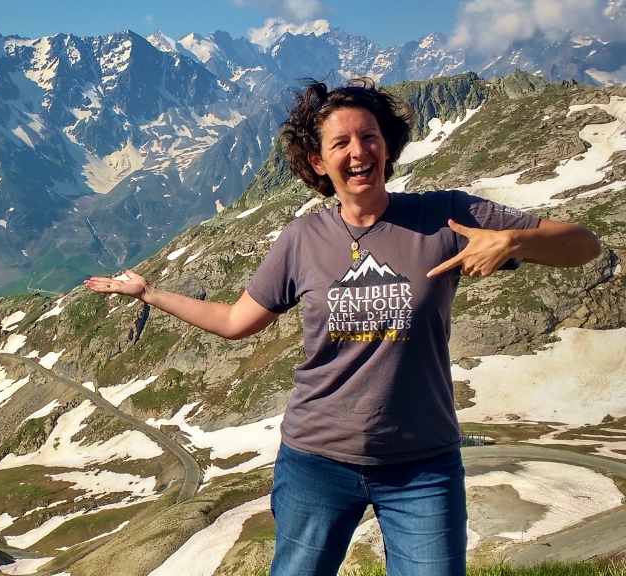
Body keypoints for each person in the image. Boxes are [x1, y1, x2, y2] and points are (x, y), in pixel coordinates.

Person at [84, 77, 602, 576]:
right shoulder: (303, 238)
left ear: (388, 147)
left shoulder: (446, 216)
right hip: (316, 462)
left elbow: (585, 244)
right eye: (341, 143)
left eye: (370, 137)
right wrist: (149, 293)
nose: (359, 152)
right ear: (318, 161)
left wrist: (514, 241)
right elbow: (235, 321)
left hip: (422, 466)